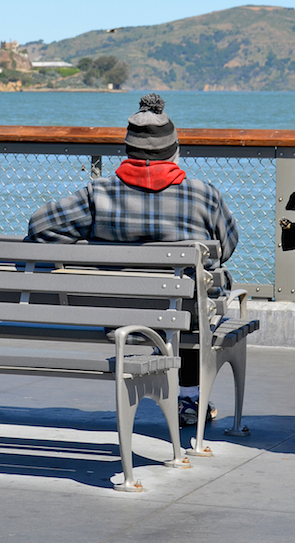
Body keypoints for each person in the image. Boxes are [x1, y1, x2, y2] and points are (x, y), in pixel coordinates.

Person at [26, 93, 240, 426]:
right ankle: (188, 398)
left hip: (119, 313)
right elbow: (227, 246)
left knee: (173, 300)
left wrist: (87, 239)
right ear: (175, 150)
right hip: (186, 314)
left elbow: (39, 227)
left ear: (127, 150)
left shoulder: (98, 194)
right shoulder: (204, 195)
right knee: (191, 297)